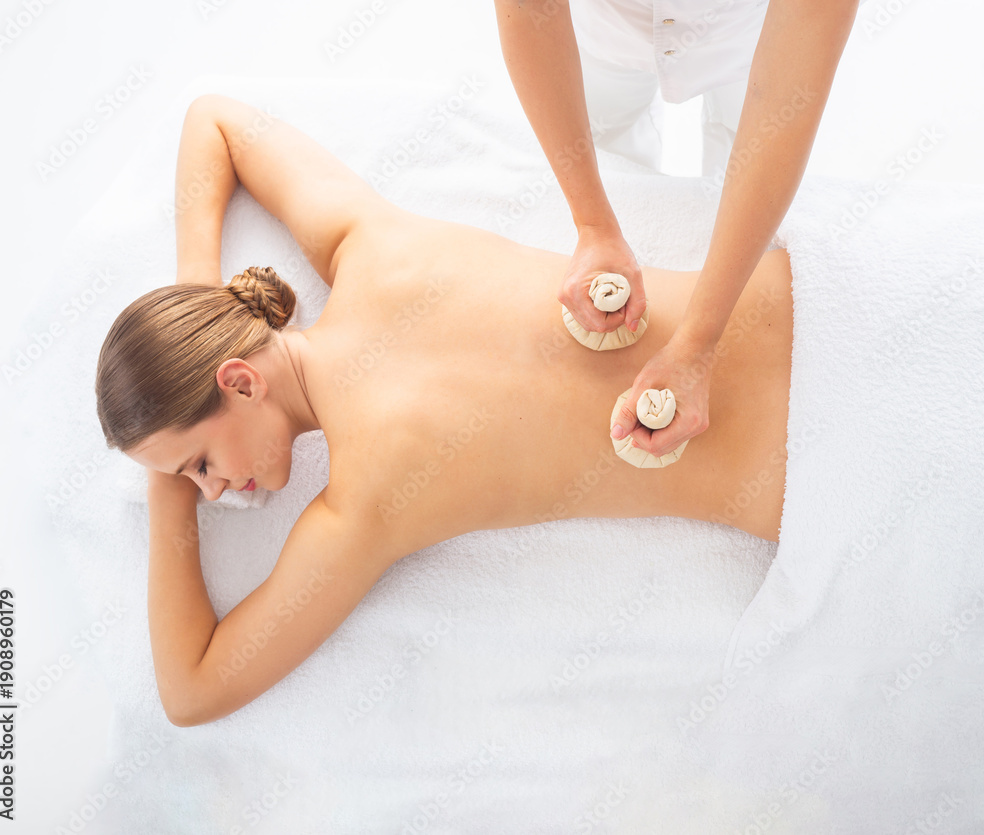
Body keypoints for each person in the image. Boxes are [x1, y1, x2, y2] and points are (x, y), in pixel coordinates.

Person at [95, 94, 793, 728]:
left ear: (241, 382)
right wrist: (195, 305)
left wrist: (162, 488)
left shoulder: (364, 507)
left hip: (808, 467)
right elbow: (213, 120)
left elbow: (190, 690)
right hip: (809, 303)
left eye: (199, 465)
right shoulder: (369, 246)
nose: (212, 493)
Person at [492, 0, 860, 460]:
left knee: (735, 164)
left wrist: (699, 343)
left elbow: (786, 97)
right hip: (608, 29)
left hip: (743, 37)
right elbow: (529, 13)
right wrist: (593, 224)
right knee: (611, 143)